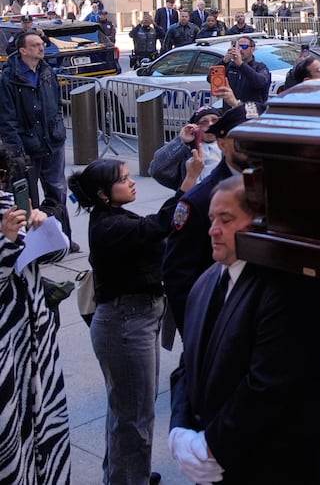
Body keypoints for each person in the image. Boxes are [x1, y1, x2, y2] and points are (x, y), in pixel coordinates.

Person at [171, 177, 320, 484]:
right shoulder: (206, 281)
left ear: (260, 224)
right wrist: (180, 429)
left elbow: (269, 385)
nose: (213, 230)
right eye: (212, 219)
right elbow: (189, 363)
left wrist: (212, 445)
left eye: (226, 220)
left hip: (275, 465)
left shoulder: (288, 289)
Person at [69, 154, 202, 485]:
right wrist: (187, 184)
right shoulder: (109, 226)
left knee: (127, 409)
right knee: (133, 414)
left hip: (133, 320)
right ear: (102, 193)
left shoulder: (111, 216)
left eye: (130, 175)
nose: (131, 181)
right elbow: (156, 227)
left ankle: (126, 476)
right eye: (122, 178)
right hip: (125, 324)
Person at [0, 145, 72, 485]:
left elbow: (52, 253)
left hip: (33, 334)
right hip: (7, 343)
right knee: (11, 431)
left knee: (40, 424)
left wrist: (42, 225)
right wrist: (7, 241)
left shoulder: (11, 209)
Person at [162, 105, 253, 337]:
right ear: (222, 143)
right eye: (242, 136)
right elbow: (179, 277)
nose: (253, 143)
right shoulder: (200, 201)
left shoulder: (277, 187)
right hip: (222, 326)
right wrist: (198, 338)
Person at [0, 31, 73, 244]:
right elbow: (7, 120)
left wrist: (57, 129)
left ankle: (62, 237)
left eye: (41, 44)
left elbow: (56, 105)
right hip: (27, 148)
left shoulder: (47, 71)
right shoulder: (9, 79)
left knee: (57, 191)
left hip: (52, 142)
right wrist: (17, 153)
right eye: (35, 45)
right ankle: (33, 242)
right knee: (28, 198)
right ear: (23, 50)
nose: (41, 48)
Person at [149, 106, 223, 190]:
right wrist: (181, 141)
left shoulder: (229, 143)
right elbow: (156, 170)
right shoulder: (188, 149)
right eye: (204, 122)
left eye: (215, 120)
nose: (210, 124)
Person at [220, 34, 271, 106]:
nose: (240, 50)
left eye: (244, 47)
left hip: (252, 111)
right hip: (231, 111)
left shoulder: (260, 67)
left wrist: (241, 64)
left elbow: (260, 83)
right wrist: (224, 62)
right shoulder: (230, 66)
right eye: (238, 47)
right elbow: (211, 79)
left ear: (252, 49)